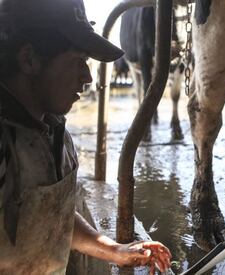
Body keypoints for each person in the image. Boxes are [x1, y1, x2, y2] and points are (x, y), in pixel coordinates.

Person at [0, 0, 171, 274]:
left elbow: (52, 215)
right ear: (29, 59)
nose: (88, 77)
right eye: (77, 60)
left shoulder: (54, 131)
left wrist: (116, 251)